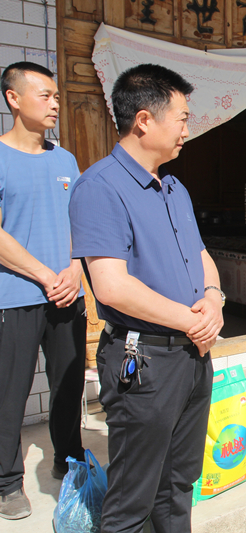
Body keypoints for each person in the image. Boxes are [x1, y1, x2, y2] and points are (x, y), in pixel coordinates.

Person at [69, 64, 224, 533]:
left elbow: (202, 256)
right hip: (145, 362)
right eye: (181, 118)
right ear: (143, 120)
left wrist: (214, 299)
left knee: (178, 485)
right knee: (132, 500)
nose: (187, 130)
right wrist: (191, 320)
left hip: (192, 357)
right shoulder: (100, 187)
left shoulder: (173, 187)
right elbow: (112, 286)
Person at [0, 62, 86, 521]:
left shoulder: (65, 160)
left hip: (67, 294)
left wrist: (74, 268)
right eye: (45, 95)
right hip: (15, 296)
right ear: (13, 99)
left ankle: (68, 459)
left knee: (69, 385)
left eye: (56, 96)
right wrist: (43, 274)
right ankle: (6, 483)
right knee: (8, 393)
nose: (55, 103)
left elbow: (81, 221)